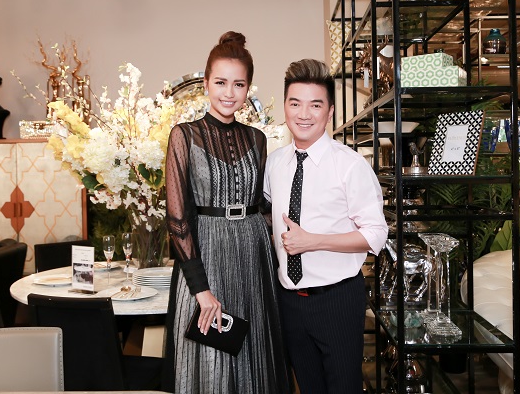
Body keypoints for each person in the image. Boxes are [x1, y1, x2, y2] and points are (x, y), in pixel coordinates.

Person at [163, 31, 290, 394]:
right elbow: (177, 218)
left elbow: (264, 206)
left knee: (253, 356)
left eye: (239, 84)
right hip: (206, 254)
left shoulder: (257, 139)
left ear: (248, 88)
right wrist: (201, 289)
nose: (229, 93)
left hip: (253, 257)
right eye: (220, 82)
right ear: (205, 83)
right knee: (211, 354)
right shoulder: (184, 136)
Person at [264, 59, 388, 394]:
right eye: (295, 104)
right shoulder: (274, 163)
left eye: (315, 105)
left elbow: (376, 234)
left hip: (337, 299)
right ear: (286, 107)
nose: (304, 114)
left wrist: (313, 241)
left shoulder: (350, 165)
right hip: (289, 301)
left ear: (329, 112)